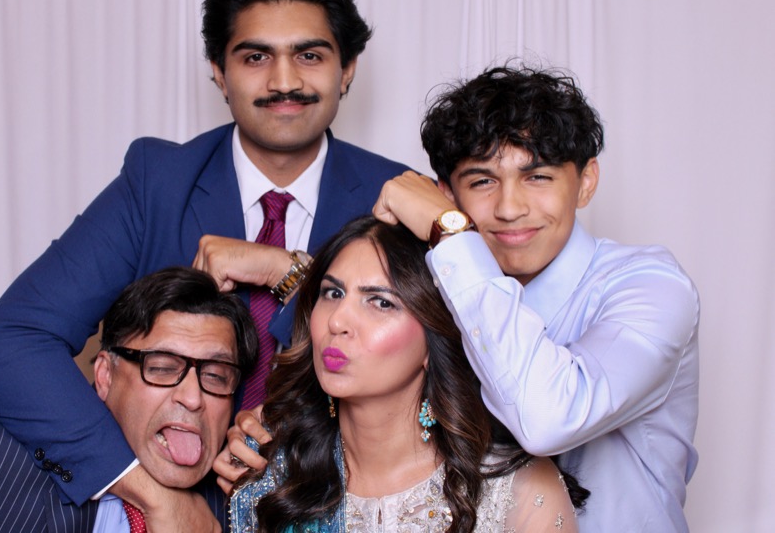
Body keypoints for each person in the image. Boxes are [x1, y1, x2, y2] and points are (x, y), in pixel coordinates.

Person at [0, 0, 408, 532]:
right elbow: (8, 344)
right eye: (255, 57)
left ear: (347, 69)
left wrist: (286, 270)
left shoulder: (393, 198)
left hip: (335, 504)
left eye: (310, 55)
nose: (284, 81)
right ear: (219, 73)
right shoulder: (158, 183)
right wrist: (152, 496)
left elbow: (448, 368)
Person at [372, 64, 700, 532]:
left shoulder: (652, 286)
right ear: (447, 194)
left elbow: (547, 419)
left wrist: (450, 233)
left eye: (538, 177)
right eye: (482, 181)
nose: (510, 208)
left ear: (586, 182)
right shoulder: (437, 287)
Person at [228, 216, 587, 532]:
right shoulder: (274, 480)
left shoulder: (515, 493)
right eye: (333, 293)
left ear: (434, 339)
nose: (337, 321)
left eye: (381, 302)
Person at [0, 267, 257, 532]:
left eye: (215, 375)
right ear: (105, 376)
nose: (192, 397)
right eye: (160, 367)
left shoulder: (241, 507)